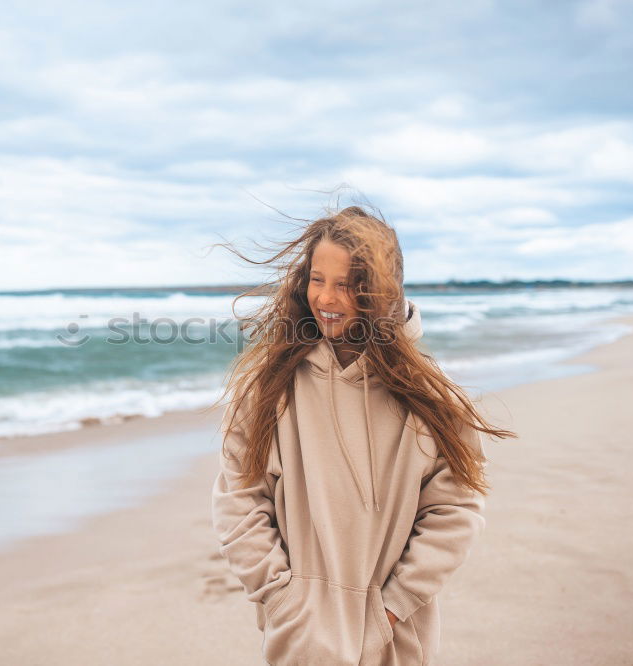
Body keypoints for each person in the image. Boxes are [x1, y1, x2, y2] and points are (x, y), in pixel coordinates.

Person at [210, 204, 516, 665]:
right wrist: (282, 600)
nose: (327, 299)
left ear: (383, 291)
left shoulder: (431, 398)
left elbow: (455, 510)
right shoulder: (269, 390)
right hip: (300, 638)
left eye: (349, 285)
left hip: (397, 638)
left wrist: (390, 610)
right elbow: (239, 499)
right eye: (318, 279)